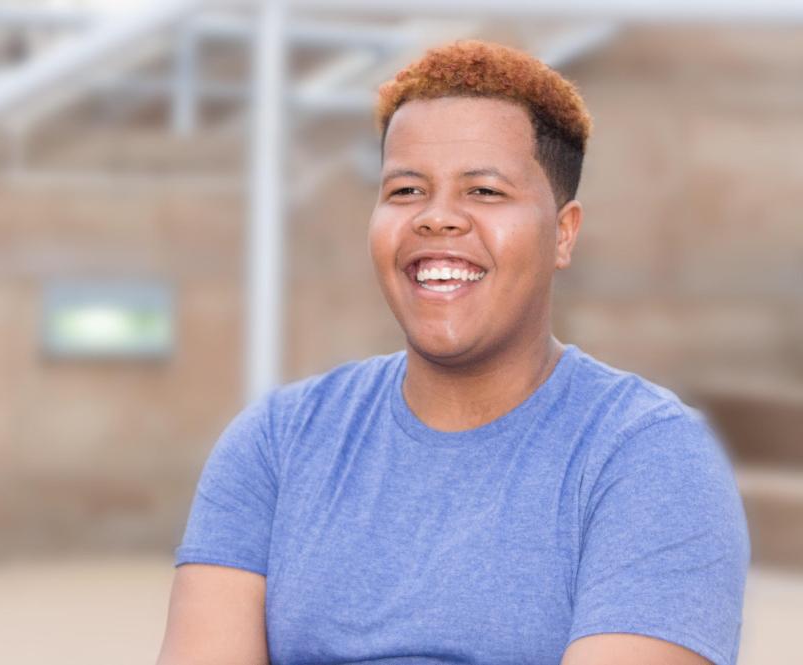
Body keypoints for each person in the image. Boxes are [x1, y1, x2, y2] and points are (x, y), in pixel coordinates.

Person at [156, 40, 750, 665]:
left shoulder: (649, 457)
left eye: (485, 192)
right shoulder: (277, 443)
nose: (437, 219)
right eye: (406, 190)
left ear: (563, 234)